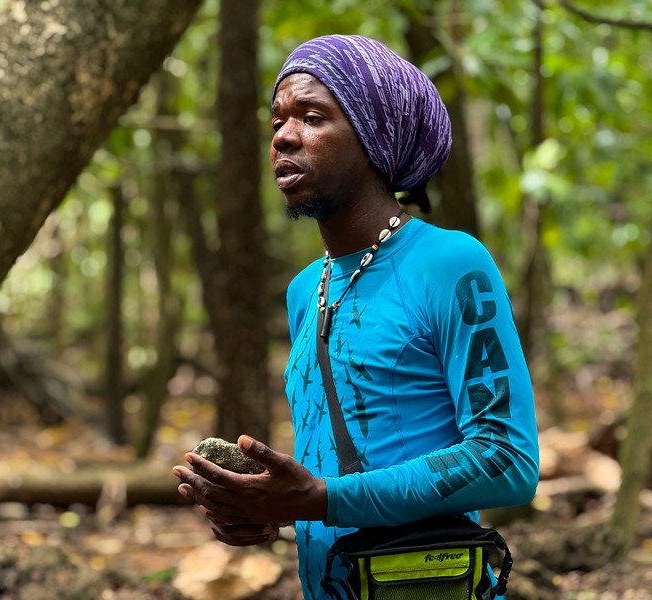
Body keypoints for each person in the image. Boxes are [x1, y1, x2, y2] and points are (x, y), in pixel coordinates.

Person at [173, 34, 539, 599]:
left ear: (373, 136)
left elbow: (506, 457)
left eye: (312, 117)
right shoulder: (305, 290)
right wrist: (264, 512)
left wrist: (321, 500)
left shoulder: (450, 263)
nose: (283, 137)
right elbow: (342, 467)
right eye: (276, 122)